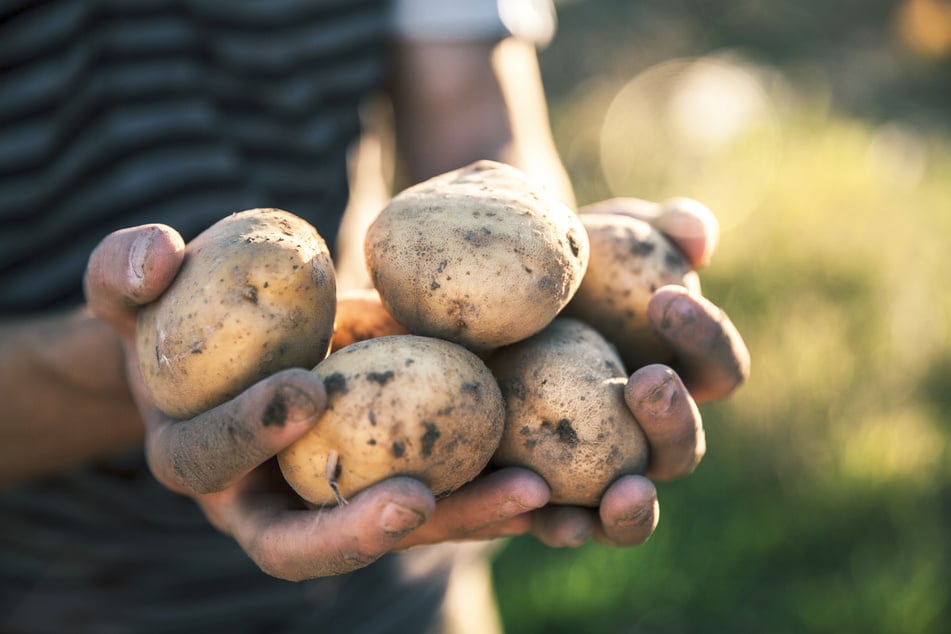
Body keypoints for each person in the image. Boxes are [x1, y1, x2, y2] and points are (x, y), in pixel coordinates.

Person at [0, 1, 750, 632]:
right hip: (51, 588)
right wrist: (154, 370)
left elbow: (472, 123)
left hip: (402, 583)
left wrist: (557, 276)